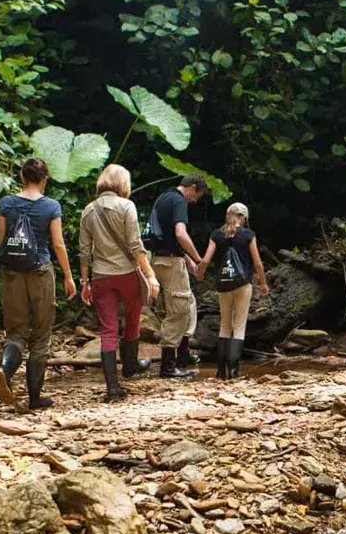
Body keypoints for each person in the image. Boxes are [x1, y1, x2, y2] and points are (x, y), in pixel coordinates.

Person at [0, 158, 76, 412]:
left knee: (16, 332)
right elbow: (58, 244)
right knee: (41, 336)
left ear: (22, 177)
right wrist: (68, 276)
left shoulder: (7, 203)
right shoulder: (51, 206)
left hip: (12, 273)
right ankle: (35, 397)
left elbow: (2, 239)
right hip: (40, 271)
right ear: (45, 179)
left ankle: (4, 372)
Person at [79, 164, 161, 402]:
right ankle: (130, 366)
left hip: (101, 276)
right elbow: (135, 245)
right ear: (122, 184)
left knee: (108, 330)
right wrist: (150, 274)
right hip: (126, 274)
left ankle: (112, 388)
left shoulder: (88, 210)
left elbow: (84, 251)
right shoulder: (127, 206)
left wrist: (85, 281)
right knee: (134, 315)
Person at [145, 173, 208, 378]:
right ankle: (168, 366)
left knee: (185, 303)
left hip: (157, 260)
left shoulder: (163, 197)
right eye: (196, 195)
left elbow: (168, 236)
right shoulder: (179, 201)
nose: (194, 200)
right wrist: (199, 259)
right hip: (171, 264)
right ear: (191, 187)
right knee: (179, 310)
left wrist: (188, 261)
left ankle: (182, 353)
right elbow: (180, 234)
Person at [197, 202, 268, 379]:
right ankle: (234, 371)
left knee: (224, 325)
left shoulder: (216, 235)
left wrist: (200, 273)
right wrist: (263, 283)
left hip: (223, 285)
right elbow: (257, 263)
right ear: (243, 218)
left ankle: (220, 371)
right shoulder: (248, 235)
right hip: (242, 285)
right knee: (239, 326)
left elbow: (205, 260)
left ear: (228, 215)